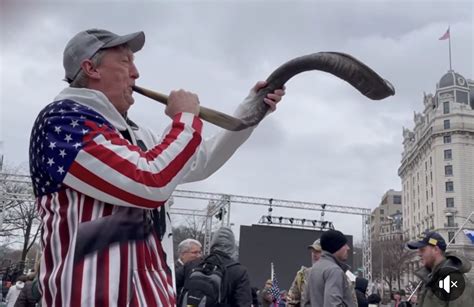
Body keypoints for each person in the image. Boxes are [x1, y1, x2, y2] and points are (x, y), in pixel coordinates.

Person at [28, 28, 285, 307]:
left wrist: (251, 110)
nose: (136, 73)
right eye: (126, 61)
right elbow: (150, 182)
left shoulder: (134, 136)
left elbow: (198, 160)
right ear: (91, 68)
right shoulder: (62, 122)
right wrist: (185, 118)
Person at [178, 227, 251, 306]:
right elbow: (243, 303)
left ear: (213, 243)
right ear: (232, 246)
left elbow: (172, 288)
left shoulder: (193, 264)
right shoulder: (239, 271)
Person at [407, 231, 474, 307]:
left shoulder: (455, 281)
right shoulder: (429, 279)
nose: (419, 254)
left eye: (422, 249)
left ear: (435, 249)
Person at [306, 229, 356, 307]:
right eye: (344, 245)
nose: (348, 248)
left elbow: (307, 303)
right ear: (336, 247)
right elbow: (332, 304)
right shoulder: (334, 270)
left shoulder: (314, 269)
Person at [287, 239, 322, 306]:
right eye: (313, 251)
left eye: (318, 251)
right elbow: (291, 301)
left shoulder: (334, 275)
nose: (314, 254)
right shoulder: (302, 275)